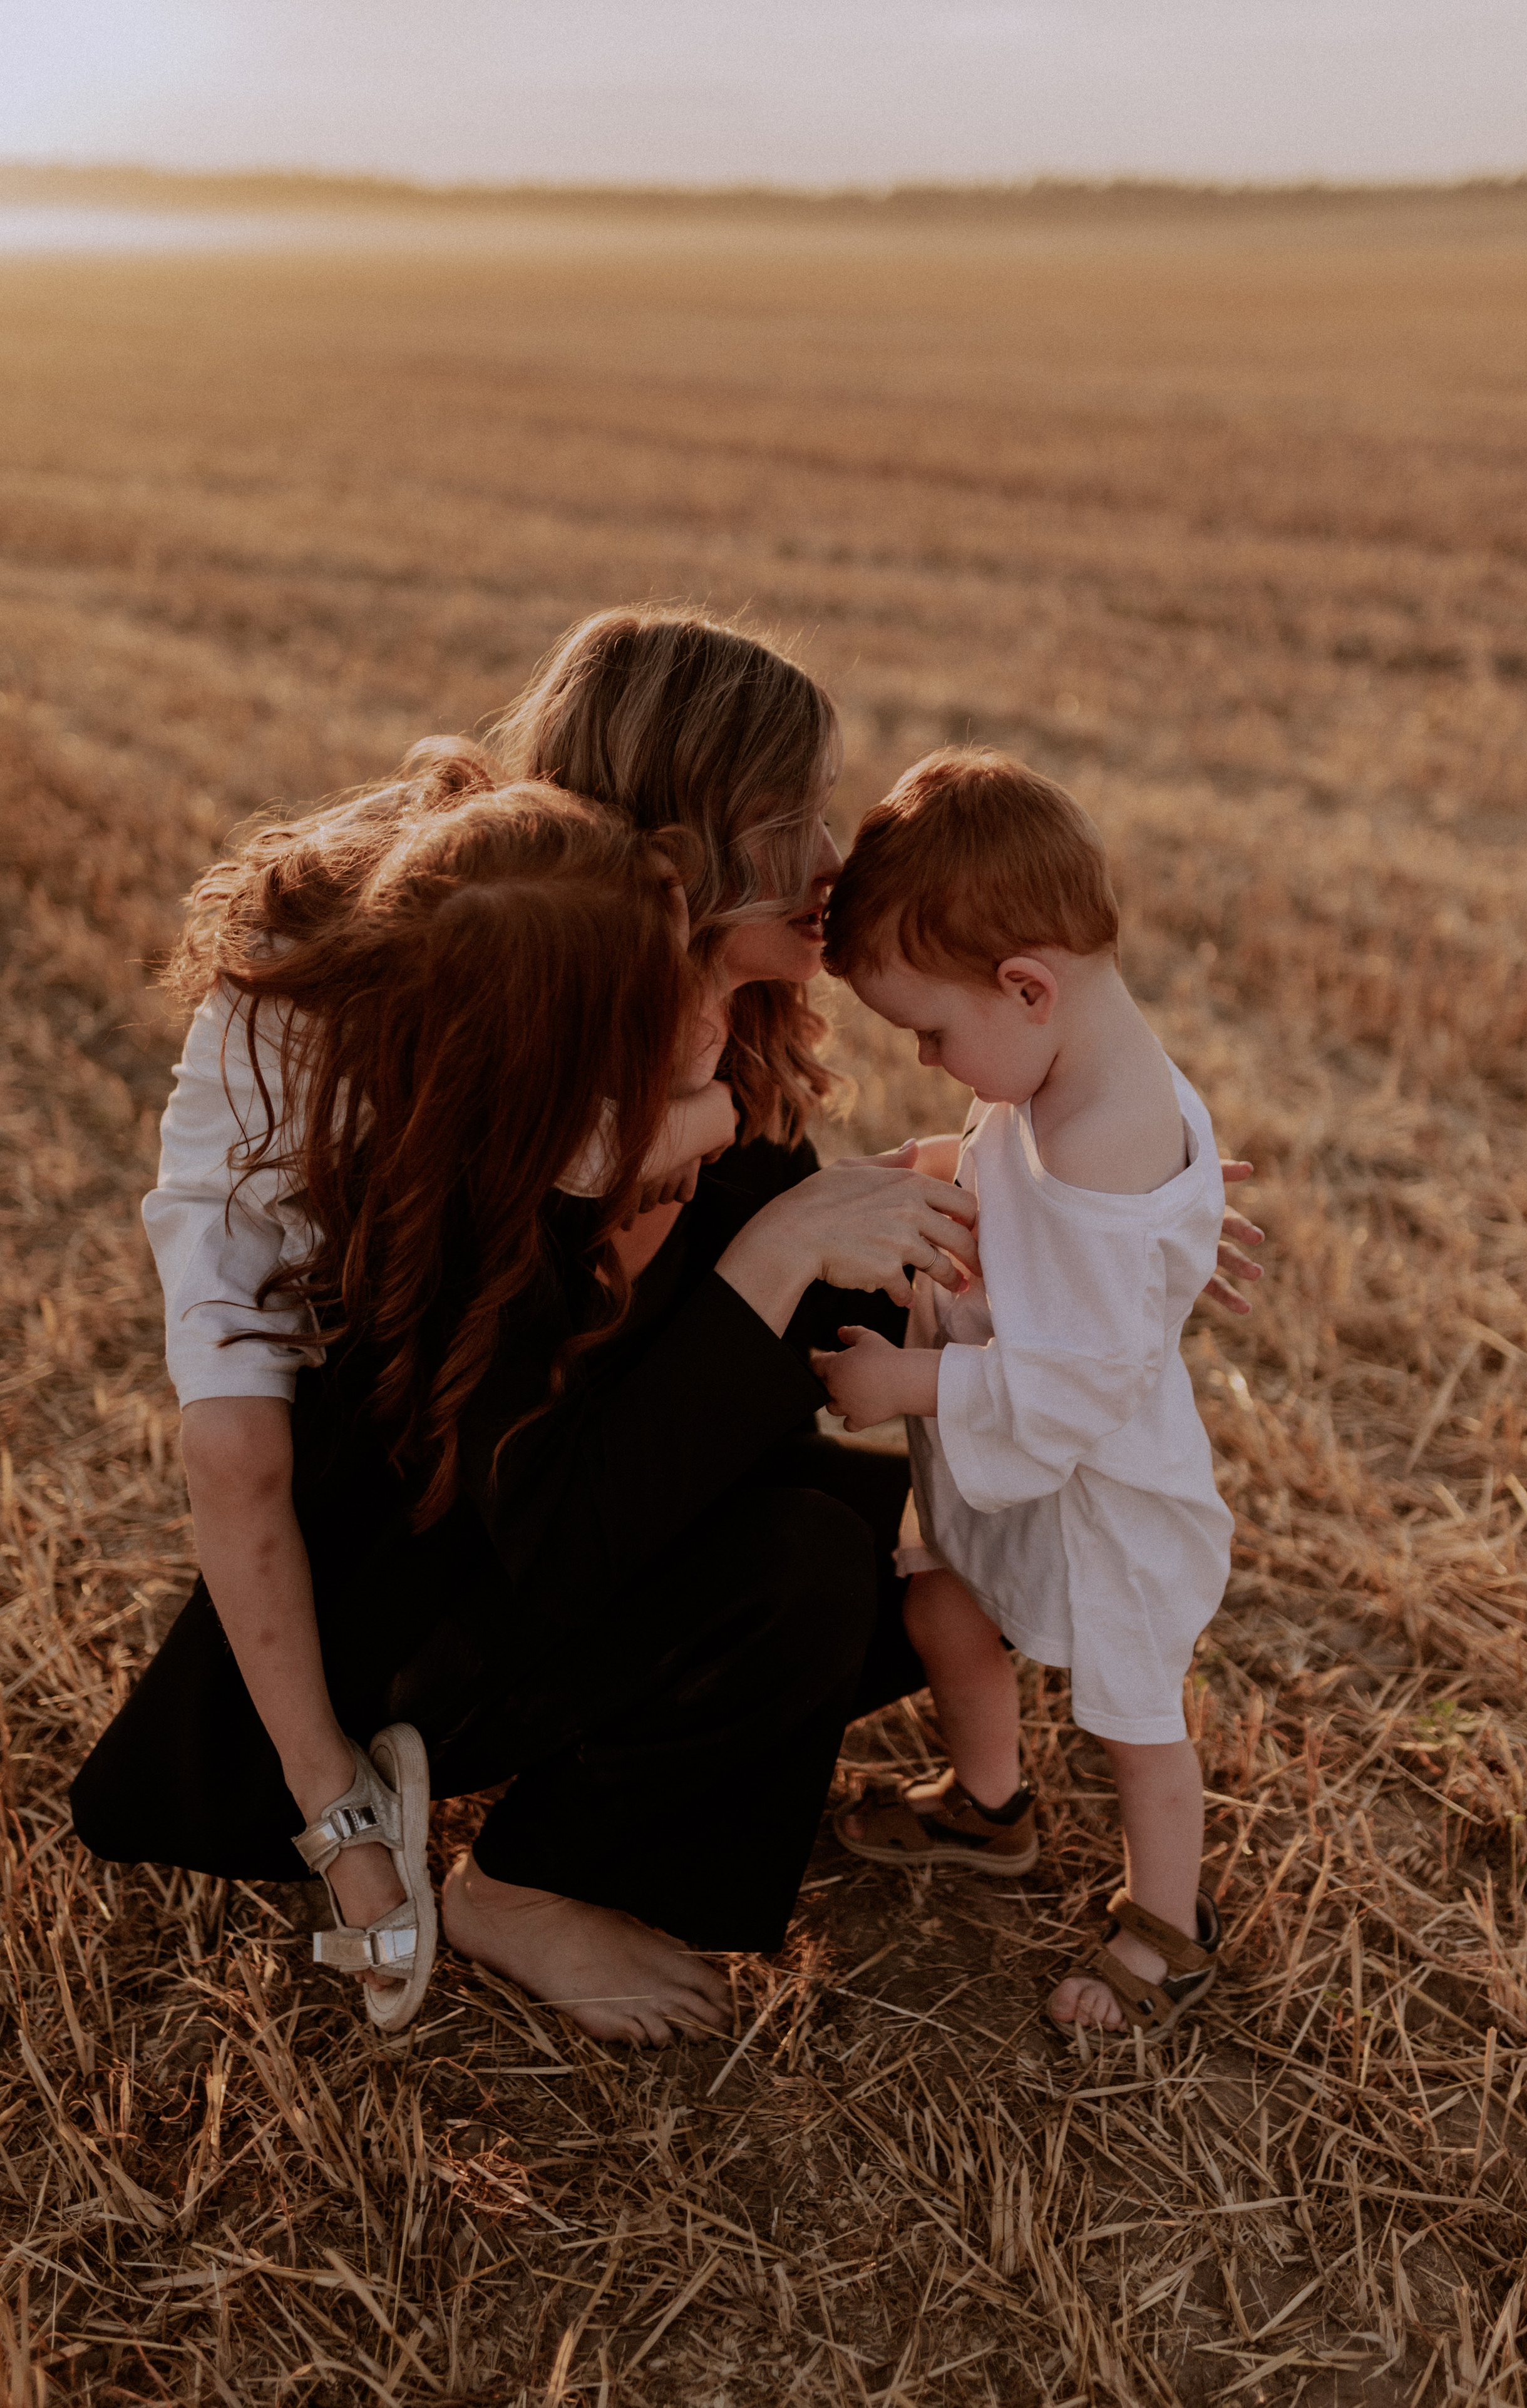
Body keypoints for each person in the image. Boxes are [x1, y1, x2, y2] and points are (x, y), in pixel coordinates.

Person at [73, 608, 1260, 2048]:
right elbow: (280, 1468)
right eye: (789, 821)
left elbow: (827, 1272)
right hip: (424, 1567)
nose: (832, 860)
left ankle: (623, 1763)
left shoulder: (709, 1015)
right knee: (808, 1567)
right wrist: (338, 1810)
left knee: (878, 1567)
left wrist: (1104, 1223)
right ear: (678, 854)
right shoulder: (412, 1072)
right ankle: (524, 1882)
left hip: (580, 1487)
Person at [145, 742, 736, 2019]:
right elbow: (594, 1147)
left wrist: (696, 1110)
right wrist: (694, 1118)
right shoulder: (279, 1111)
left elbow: (602, 1140)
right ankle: (333, 1800)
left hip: (431, 1136)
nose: (697, 1004)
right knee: (240, 1458)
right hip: (286, 1200)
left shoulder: (497, 928)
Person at [817, 747, 1235, 2039]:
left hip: (1104, 1498)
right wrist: (942, 1163)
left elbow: (1085, 1377)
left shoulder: (1107, 1133)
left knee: (1133, 1713)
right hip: (1033, 1484)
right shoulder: (1057, 1071)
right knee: (946, 1597)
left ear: (1025, 985)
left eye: (933, 1034)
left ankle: (1167, 1927)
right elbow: (1023, 1186)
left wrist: (908, 1379)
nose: (936, 1059)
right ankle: (988, 1808)